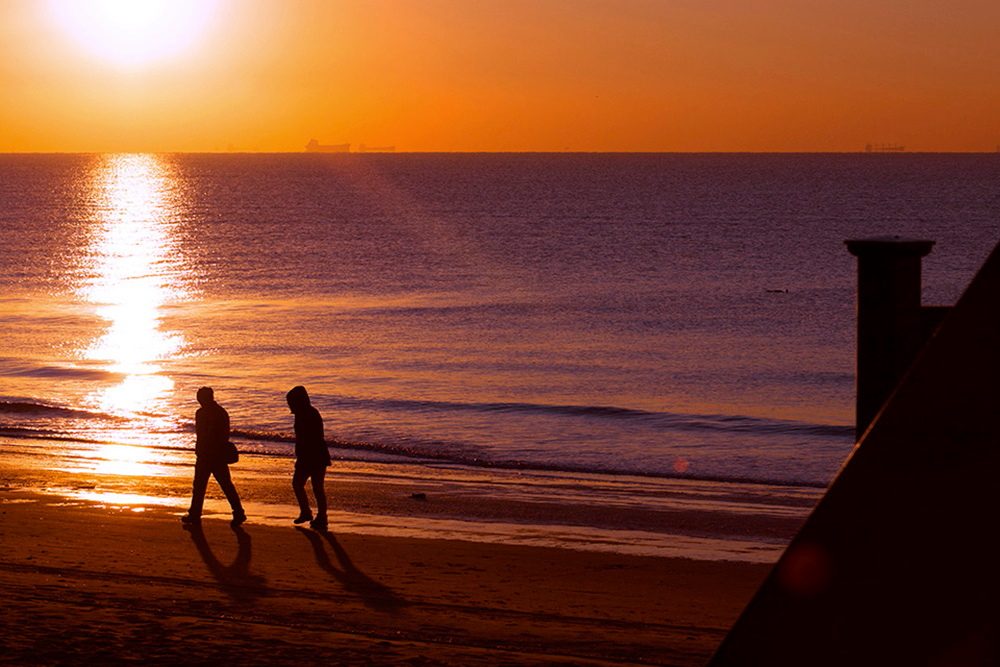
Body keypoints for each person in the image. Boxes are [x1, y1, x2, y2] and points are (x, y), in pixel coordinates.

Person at [182, 387, 246, 527]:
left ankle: (196, 514)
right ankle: (237, 512)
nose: (199, 400)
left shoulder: (206, 413)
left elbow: (207, 435)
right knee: (221, 485)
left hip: (210, 455)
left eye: (200, 397)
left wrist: (203, 450)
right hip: (212, 454)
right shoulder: (218, 412)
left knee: (204, 485)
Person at [287, 385, 331, 530]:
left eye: (291, 402)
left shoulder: (306, 414)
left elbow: (306, 438)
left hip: (311, 455)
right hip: (317, 454)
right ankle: (316, 515)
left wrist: (301, 456)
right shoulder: (309, 412)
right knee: (315, 487)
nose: (289, 406)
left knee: (301, 484)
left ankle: (311, 513)